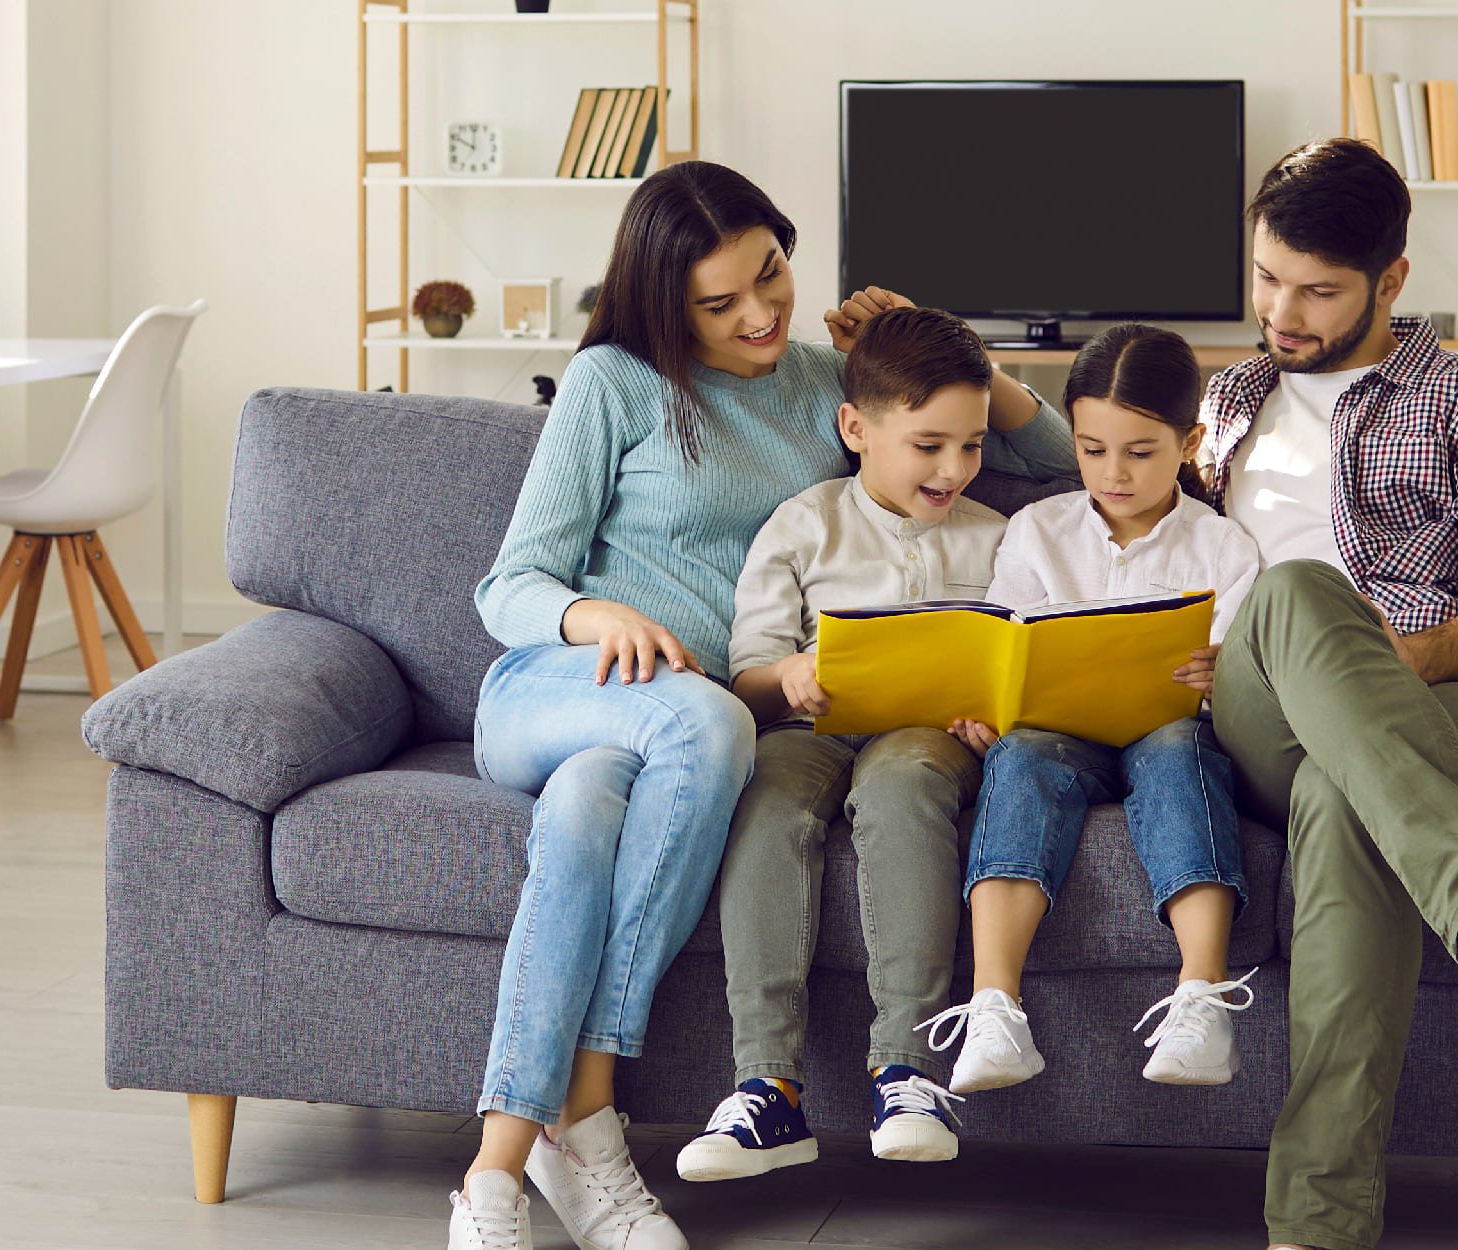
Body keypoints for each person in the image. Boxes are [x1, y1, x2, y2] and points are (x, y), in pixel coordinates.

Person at [827, 137, 1458, 1250]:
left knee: (1343, 792)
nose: (1281, 310)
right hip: (1265, 711)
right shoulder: (1231, 400)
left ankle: (1313, 1223)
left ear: (1391, 280)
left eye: (1317, 289)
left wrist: (1397, 653)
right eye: (1265, 277)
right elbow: (1103, 454)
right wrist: (950, 351)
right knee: (1293, 596)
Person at [453, 161, 1071, 1250]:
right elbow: (509, 586)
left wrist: (946, 341)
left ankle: (501, 1168)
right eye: (720, 301)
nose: (760, 312)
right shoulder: (613, 382)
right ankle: (586, 1119)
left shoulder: (825, 378)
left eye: (772, 273)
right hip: (568, 688)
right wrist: (602, 620)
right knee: (710, 717)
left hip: (664, 743)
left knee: (588, 820)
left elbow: (1049, 454)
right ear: (661, 302)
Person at [675, 307, 1015, 1184]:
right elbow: (747, 675)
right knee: (768, 804)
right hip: (809, 727)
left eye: (973, 447)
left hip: (926, 737)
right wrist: (790, 675)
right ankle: (769, 1085)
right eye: (929, 444)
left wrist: (994, 717)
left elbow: (1021, 666)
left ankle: (906, 1070)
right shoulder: (802, 525)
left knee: (902, 791)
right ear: (856, 428)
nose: (953, 469)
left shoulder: (999, 537)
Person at [919, 323, 1266, 1096]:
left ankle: (1203, 996)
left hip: (1168, 730)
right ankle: (994, 1006)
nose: (1113, 473)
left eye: (1140, 453)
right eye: (1091, 449)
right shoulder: (1037, 531)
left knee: (1180, 751)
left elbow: (1237, 680)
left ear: (1189, 441)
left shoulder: (1224, 548)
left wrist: (1222, 675)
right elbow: (1002, 647)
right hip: (1056, 735)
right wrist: (988, 713)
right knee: (1023, 755)